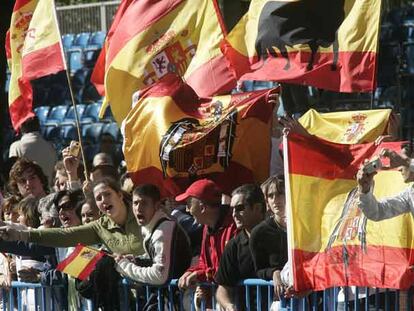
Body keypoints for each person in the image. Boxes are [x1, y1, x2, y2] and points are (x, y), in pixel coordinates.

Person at [0, 178, 144, 257]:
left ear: (119, 194)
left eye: (107, 194)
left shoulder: (143, 215)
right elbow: (65, 235)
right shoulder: (99, 226)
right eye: (98, 198)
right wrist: (21, 234)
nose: (104, 200)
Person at [176, 179, 237, 307]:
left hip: (235, 301)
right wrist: (191, 271)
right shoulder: (206, 227)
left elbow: (228, 269)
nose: (187, 210)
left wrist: (201, 275)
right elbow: (203, 262)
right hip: (218, 301)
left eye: (189, 204)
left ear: (202, 207)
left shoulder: (234, 226)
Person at [114, 184, 191, 285]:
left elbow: (159, 276)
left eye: (144, 203)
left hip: (182, 294)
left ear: (157, 206)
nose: (138, 208)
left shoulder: (163, 230)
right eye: (135, 203)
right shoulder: (149, 226)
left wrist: (125, 266)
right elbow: (156, 256)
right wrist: (136, 260)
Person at [215, 184, 266, 311]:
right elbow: (223, 288)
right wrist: (228, 305)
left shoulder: (282, 238)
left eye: (239, 208)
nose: (234, 214)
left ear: (258, 208)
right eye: (232, 209)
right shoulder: (233, 246)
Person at [250, 175, 288, 301]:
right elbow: (259, 269)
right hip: (276, 299)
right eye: (271, 196)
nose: (275, 200)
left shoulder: (302, 227)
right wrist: (274, 273)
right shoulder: (259, 232)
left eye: (280, 194)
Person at [357, 145, 414, 220]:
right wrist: (364, 190)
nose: (399, 169)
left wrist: (407, 162)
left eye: (401, 163)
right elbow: (377, 212)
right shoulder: (409, 194)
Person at [9, 116, 57, 184]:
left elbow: (13, 176)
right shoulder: (51, 146)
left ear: (20, 127)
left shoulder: (16, 147)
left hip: (28, 191)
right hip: (49, 190)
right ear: (38, 126)